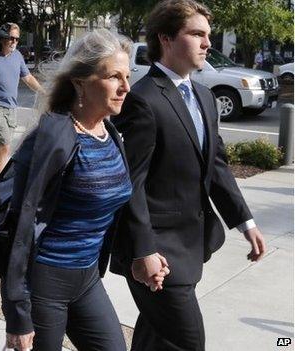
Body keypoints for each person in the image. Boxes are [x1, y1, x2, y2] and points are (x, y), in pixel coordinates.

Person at [110, 1, 266, 350]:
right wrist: (144, 251)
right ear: (165, 39)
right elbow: (130, 184)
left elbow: (217, 166)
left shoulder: (205, 97)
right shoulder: (143, 100)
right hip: (158, 255)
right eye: (196, 34)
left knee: (154, 337)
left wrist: (245, 222)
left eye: (207, 35)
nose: (207, 43)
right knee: (189, 341)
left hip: (192, 247)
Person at [1, 29, 153, 351]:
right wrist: (17, 310)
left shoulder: (110, 133)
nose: (126, 87)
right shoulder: (54, 137)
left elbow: (120, 203)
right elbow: (20, 223)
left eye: (127, 76)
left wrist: (140, 255)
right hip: (45, 282)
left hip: (87, 279)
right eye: (114, 77)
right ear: (80, 82)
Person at [0, 22, 43, 178]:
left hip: (11, 108)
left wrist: (44, 92)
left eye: (17, 39)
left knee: (4, 148)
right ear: (3, 38)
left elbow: (28, 78)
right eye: (11, 38)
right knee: (4, 145)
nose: (14, 42)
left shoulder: (17, 56)